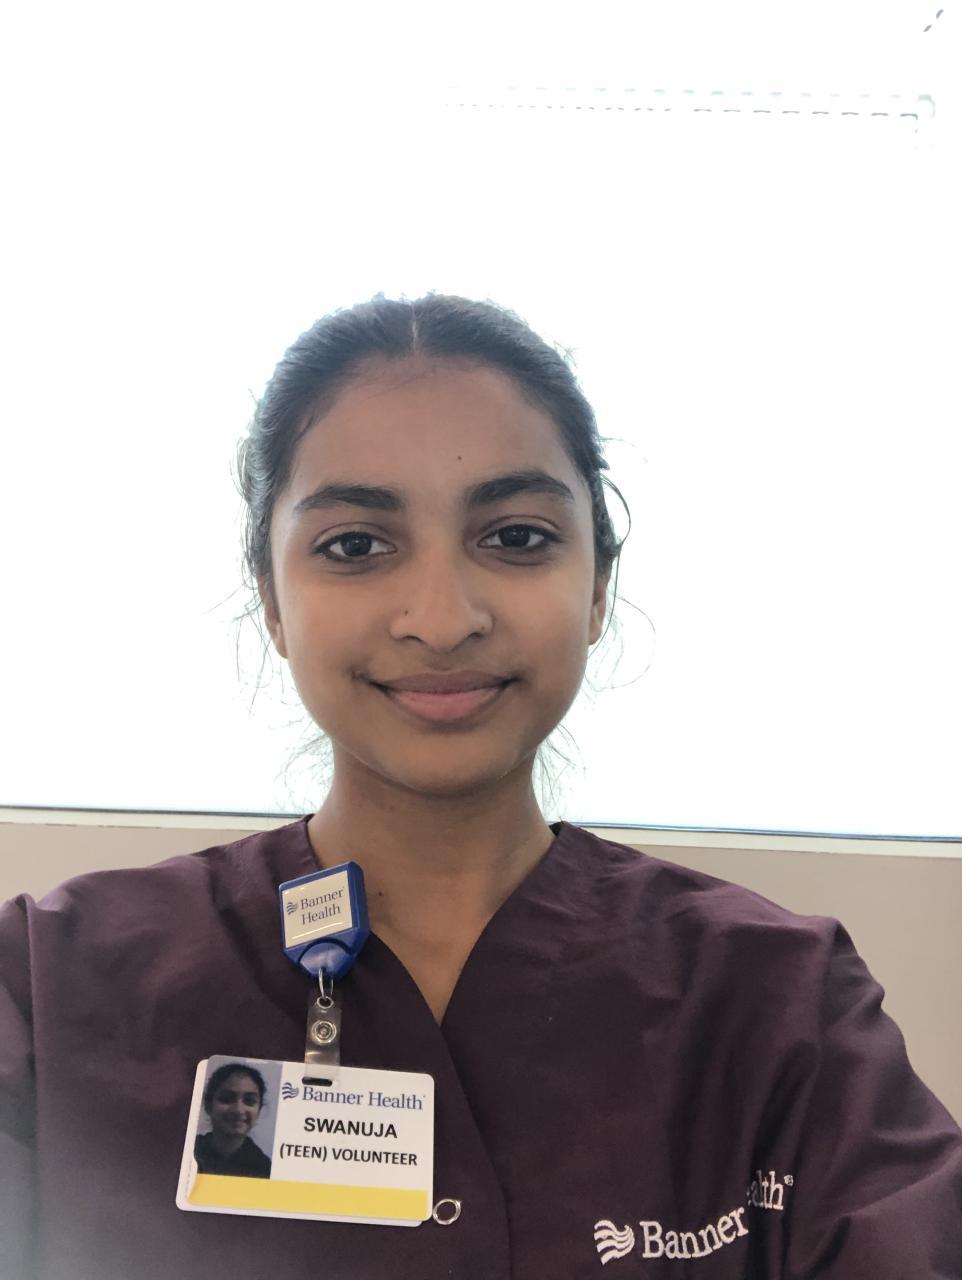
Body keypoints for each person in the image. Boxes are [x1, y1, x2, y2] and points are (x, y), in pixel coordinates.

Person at [1, 293, 960, 1280]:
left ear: (597, 586)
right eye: (355, 546)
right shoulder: (48, 985)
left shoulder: (776, 1003)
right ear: (272, 600)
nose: (442, 617)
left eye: (516, 537)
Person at [193, 1063, 272, 1179]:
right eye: (227, 1099)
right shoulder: (189, 1151)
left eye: (249, 1101)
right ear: (208, 1106)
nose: (238, 1110)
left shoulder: (264, 1169)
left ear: (259, 1110)